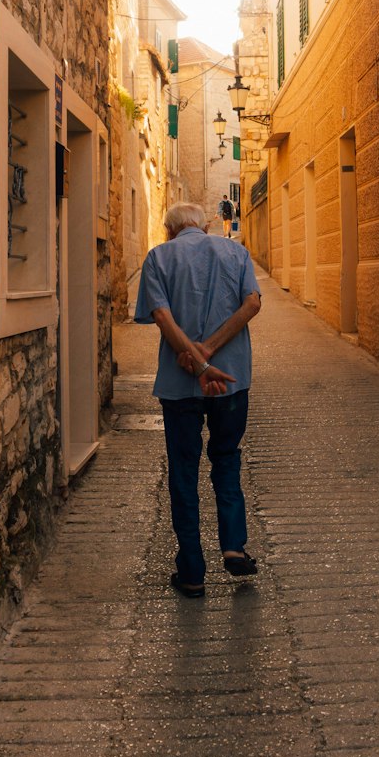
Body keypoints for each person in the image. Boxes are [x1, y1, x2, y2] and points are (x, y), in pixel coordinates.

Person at [134, 202, 262, 598]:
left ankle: (191, 571)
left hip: (179, 386)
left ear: (170, 231)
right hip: (231, 381)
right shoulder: (236, 252)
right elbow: (253, 303)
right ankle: (234, 545)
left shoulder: (158, 257)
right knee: (226, 458)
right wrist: (211, 350)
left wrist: (194, 357)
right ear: (205, 225)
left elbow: (161, 315)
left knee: (184, 472)